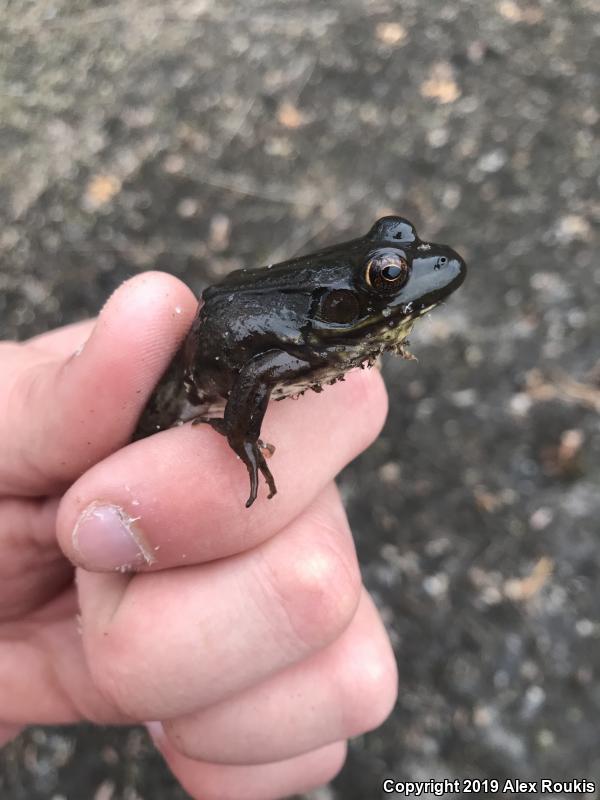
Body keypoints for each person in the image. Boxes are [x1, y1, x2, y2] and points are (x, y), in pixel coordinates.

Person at [0, 272, 398, 799]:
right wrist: (245, 441)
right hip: (186, 385)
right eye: (388, 277)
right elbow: (261, 371)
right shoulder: (303, 348)